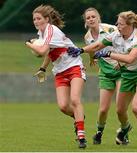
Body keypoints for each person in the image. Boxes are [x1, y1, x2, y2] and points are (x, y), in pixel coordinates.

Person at [68, 11, 137, 149]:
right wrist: (81, 50)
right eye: (117, 23)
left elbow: (130, 59)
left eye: (120, 24)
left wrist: (110, 54)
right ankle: (124, 130)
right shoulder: (116, 34)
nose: (117, 26)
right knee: (120, 110)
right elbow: (98, 45)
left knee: (136, 108)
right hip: (127, 74)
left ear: (129, 25)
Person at [25, 4, 87, 149]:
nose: (35, 21)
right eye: (34, 19)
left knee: (75, 99)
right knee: (63, 106)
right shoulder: (42, 33)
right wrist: (42, 68)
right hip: (59, 71)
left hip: (74, 67)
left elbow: (41, 51)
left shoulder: (51, 30)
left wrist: (28, 43)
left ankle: (81, 136)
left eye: (38, 18)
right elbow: (49, 53)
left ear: (47, 19)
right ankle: (79, 118)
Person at [82, 7, 121, 145]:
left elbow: (124, 44)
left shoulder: (111, 29)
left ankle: (123, 132)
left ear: (98, 18)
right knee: (103, 108)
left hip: (121, 69)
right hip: (105, 71)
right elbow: (92, 49)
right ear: (85, 21)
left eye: (93, 16)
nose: (91, 19)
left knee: (120, 107)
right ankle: (99, 133)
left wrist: (121, 60)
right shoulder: (87, 37)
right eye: (88, 18)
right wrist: (92, 58)